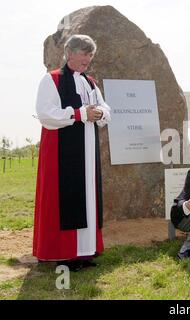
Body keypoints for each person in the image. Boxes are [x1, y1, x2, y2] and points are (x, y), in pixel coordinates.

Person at [33, 35, 111, 271]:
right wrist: (78, 114)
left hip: (87, 152)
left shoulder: (90, 82)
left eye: (90, 55)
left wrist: (100, 113)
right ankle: (65, 254)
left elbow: (104, 108)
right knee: (65, 199)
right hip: (61, 152)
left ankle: (84, 253)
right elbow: (45, 113)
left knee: (86, 199)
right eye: (84, 53)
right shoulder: (52, 80)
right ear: (69, 52)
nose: (88, 59)